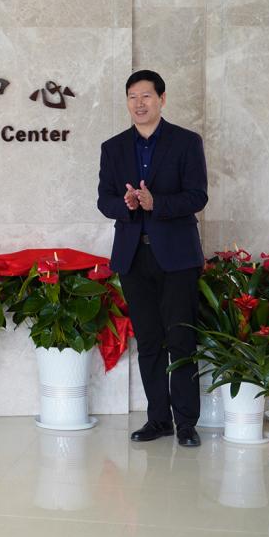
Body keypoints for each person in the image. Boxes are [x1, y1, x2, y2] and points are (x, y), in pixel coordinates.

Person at [97, 70, 208, 448]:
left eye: (146, 96)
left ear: (162, 99)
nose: (139, 103)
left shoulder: (186, 142)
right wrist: (126, 204)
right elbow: (104, 199)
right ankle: (158, 419)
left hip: (177, 256)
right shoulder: (113, 148)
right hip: (133, 256)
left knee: (181, 339)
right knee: (148, 341)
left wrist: (156, 203)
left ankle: (187, 423)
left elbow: (197, 196)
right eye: (132, 97)